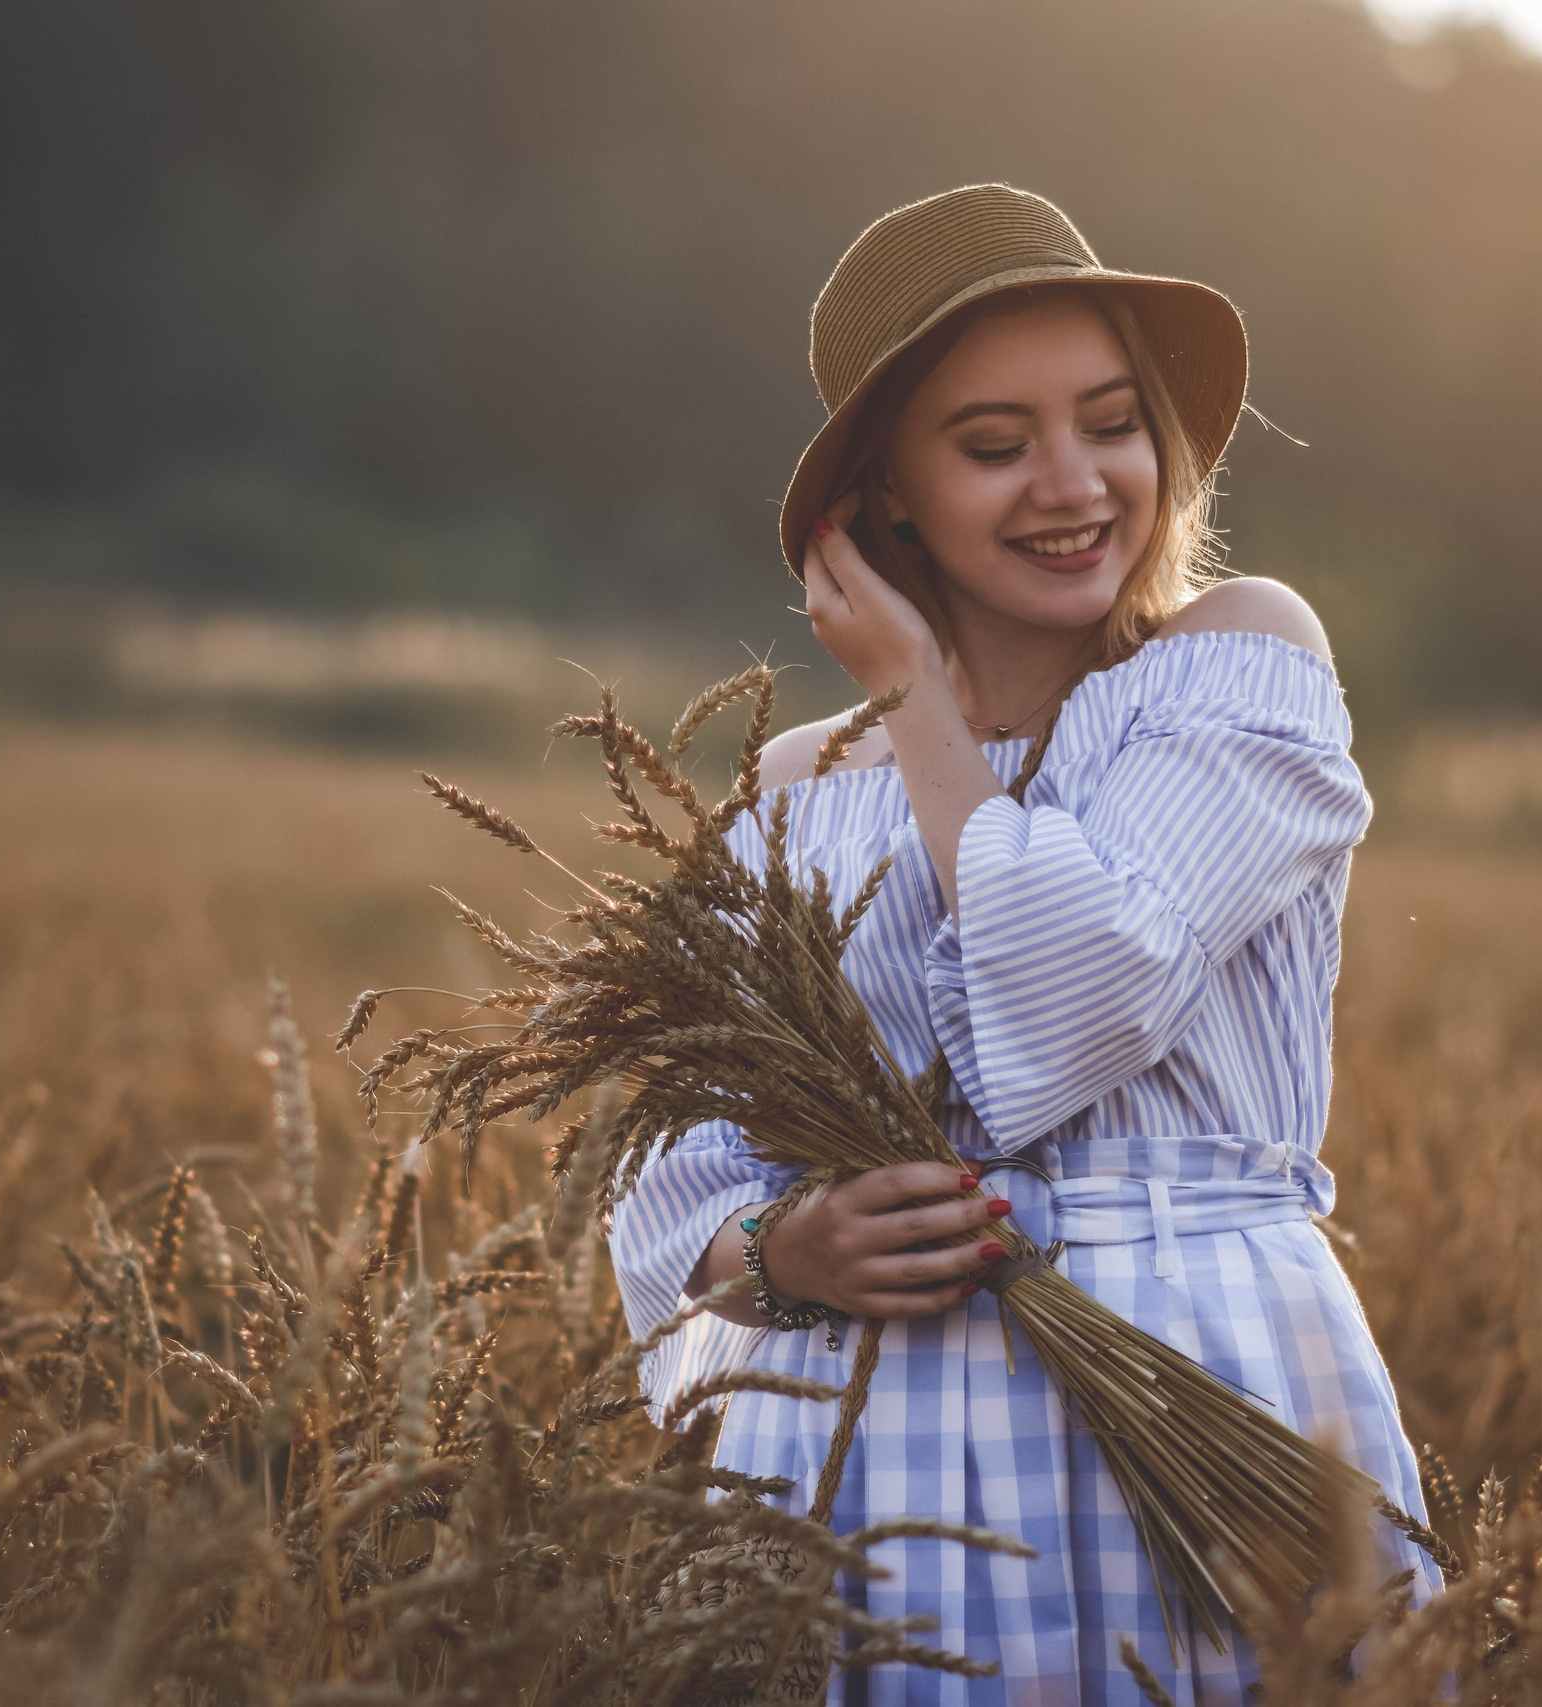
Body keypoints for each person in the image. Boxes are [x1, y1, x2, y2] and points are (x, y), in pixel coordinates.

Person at [606, 184, 1436, 1705]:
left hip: (1207, 1383)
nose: (1074, 483)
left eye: (1112, 424)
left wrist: (914, 702)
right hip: (865, 1444)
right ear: (886, 494)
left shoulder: (1237, 662)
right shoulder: (788, 788)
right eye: (996, 445)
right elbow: (671, 1174)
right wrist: (785, 1256)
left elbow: (1085, 985)